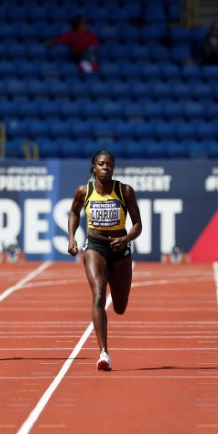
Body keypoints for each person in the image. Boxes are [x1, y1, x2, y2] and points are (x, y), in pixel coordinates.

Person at [67, 151, 142, 371]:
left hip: (120, 248)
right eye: (101, 164)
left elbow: (138, 224)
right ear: (94, 167)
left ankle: (118, 304)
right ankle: (104, 353)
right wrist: (72, 238)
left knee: (119, 306)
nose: (106, 168)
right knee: (99, 293)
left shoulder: (124, 191)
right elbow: (73, 213)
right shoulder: (84, 191)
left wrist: (126, 238)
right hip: (95, 246)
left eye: (109, 164)